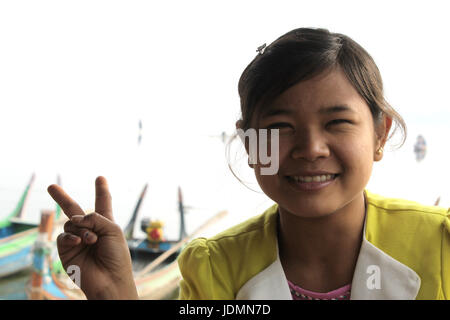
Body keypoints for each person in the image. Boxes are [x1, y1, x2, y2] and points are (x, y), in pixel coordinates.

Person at [47, 27, 450, 300]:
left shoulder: (441, 244)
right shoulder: (212, 268)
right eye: (280, 126)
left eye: (337, 122)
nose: (310, 148)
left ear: (380, 134)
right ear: (249, 143)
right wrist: (115, 293)